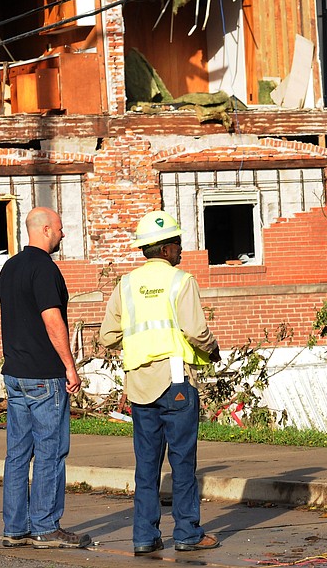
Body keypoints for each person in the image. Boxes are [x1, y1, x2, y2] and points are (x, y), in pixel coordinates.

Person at [100, 210, 222, 554]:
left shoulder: (126, 285)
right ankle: (186, 533)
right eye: (178, 244)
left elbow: (107, 336)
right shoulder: (181, 281)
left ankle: (144, 537)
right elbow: (196, 331)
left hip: (139, 384)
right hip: (176, 381)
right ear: (166, 250)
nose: (181, 250)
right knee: (182, 461)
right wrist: (212, 349)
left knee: (147, 464)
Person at [0, 207, 91, 549]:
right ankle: (46, 527)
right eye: (62, 229)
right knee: (51, 451)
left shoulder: (9, 268)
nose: (64, 235)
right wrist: (69, 365)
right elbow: (52, 320)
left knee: (18, 453)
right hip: (43, 377)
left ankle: (15, 527)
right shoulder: (44, 269)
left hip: (15, 374)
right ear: (47, 229)